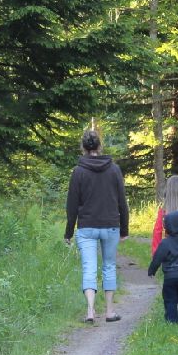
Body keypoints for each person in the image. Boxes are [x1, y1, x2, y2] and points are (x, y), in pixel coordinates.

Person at [64, 129, 129, 324]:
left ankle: (90, 311)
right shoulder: (114, 169)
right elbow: (121, 202)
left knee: (89, 268)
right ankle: (109, 312)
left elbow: (72, 205)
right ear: (100, 146)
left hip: (86, 227)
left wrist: (68, 232)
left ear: (83, 148)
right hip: (110, 226)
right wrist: (124, 229)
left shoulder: (78, 172)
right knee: (109, 266)